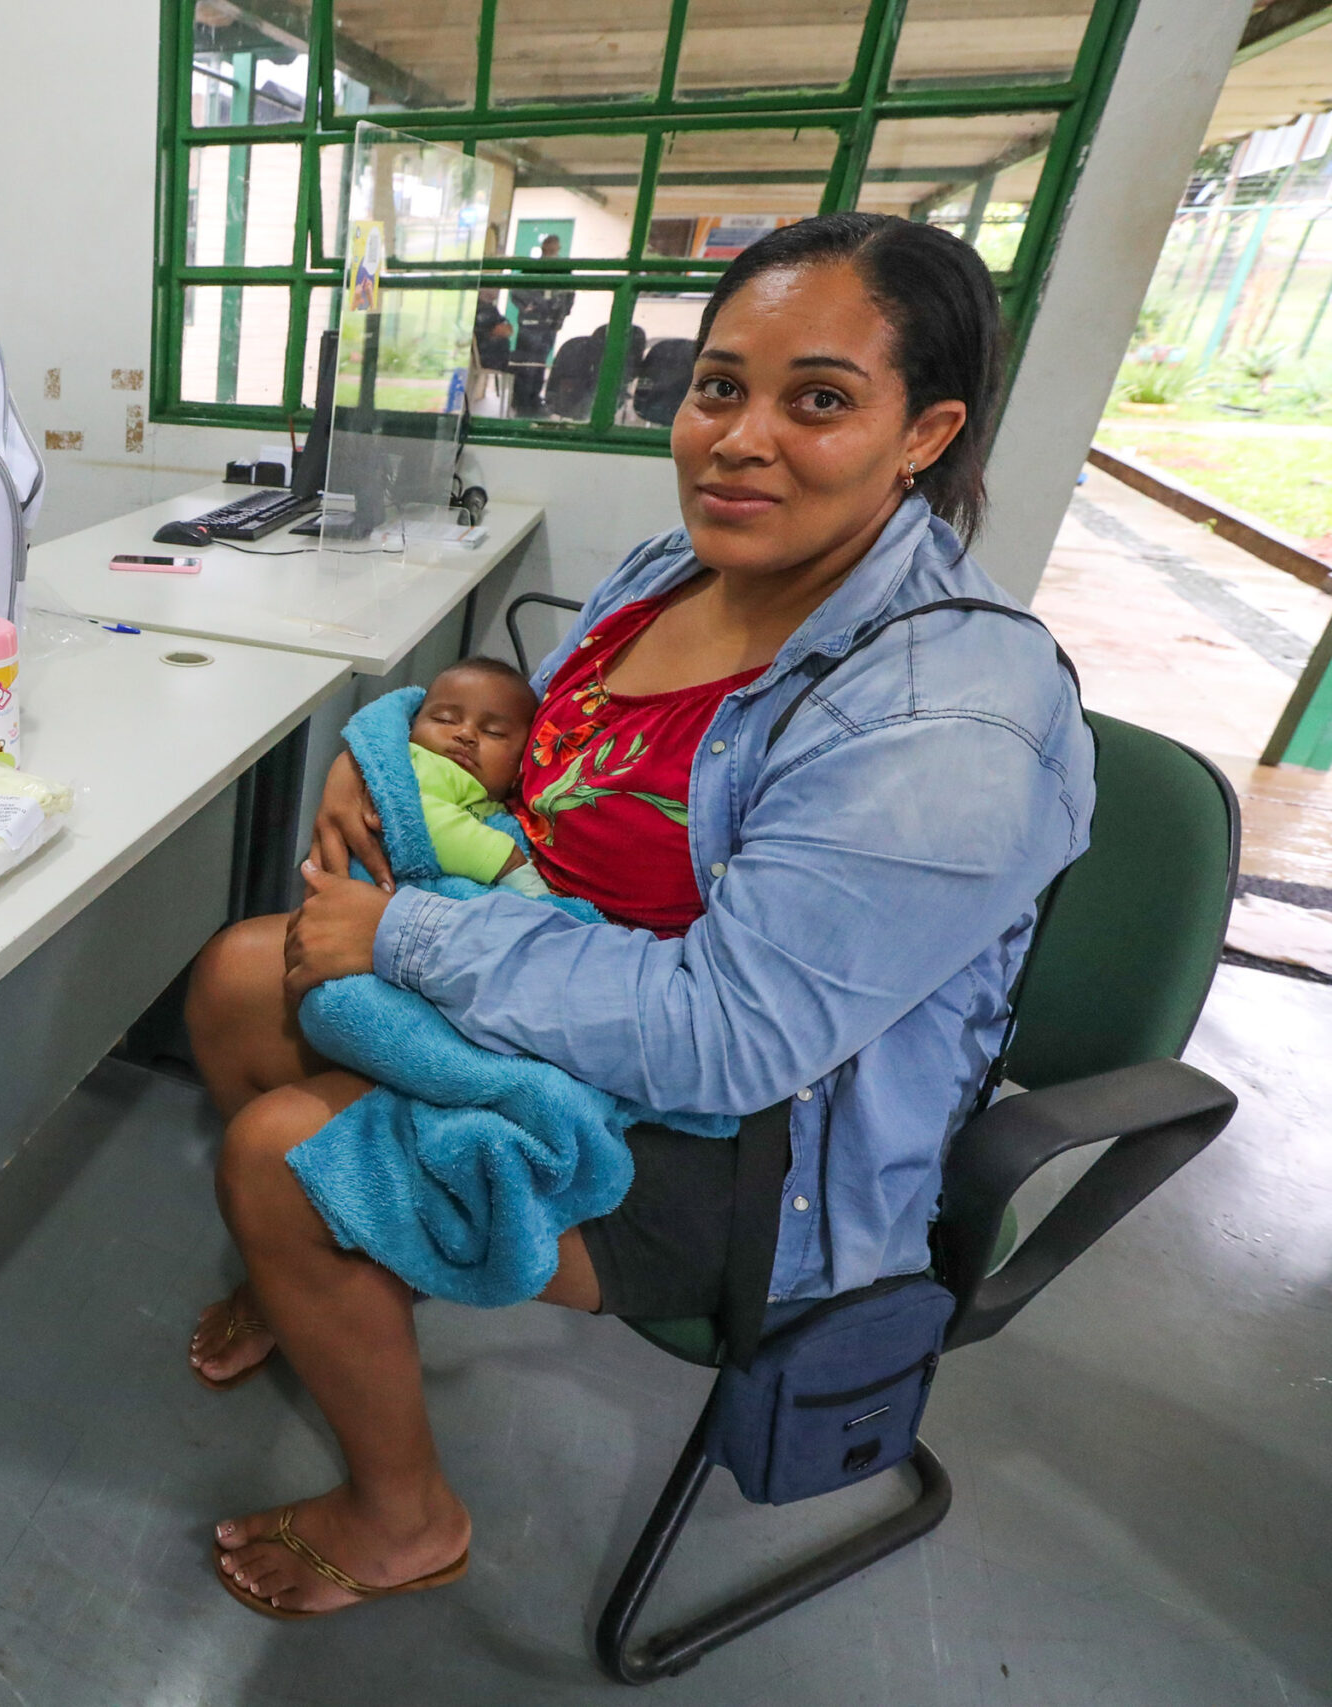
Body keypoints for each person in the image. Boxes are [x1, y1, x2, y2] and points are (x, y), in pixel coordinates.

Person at [180, 211, 1092, 1618]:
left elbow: (729, 1036)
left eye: (821, 400)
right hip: (576, 975)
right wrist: (392, 769)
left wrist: (409, 935)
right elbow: (569, 764)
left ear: (926, 432)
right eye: (721, 385)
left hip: (760, 1133)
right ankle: (327, 1272)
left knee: (285, 1151)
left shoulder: (947, 718)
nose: (738, 436)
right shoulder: (678, 572)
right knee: (245, 974)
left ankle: (403, 1509)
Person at [401, 657, 540, 888]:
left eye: (493, 732)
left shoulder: (501, 809)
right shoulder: (423, 762)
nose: (465, 733)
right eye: (444, 719)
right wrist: (507, 863)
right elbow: (417, 815)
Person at [508, 234, 574, 417]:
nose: (551, 254)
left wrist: (562, 314)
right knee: (526, 364)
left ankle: (534, 400)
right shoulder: (532, 269)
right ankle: (521, 402)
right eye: (548, 250)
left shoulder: (563, 270)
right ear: (543, 249)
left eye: (554, 250)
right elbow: (517, 290)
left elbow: (569, 294)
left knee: (539, 363)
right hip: (531, 325)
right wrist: (528, 307)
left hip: (549, 325)